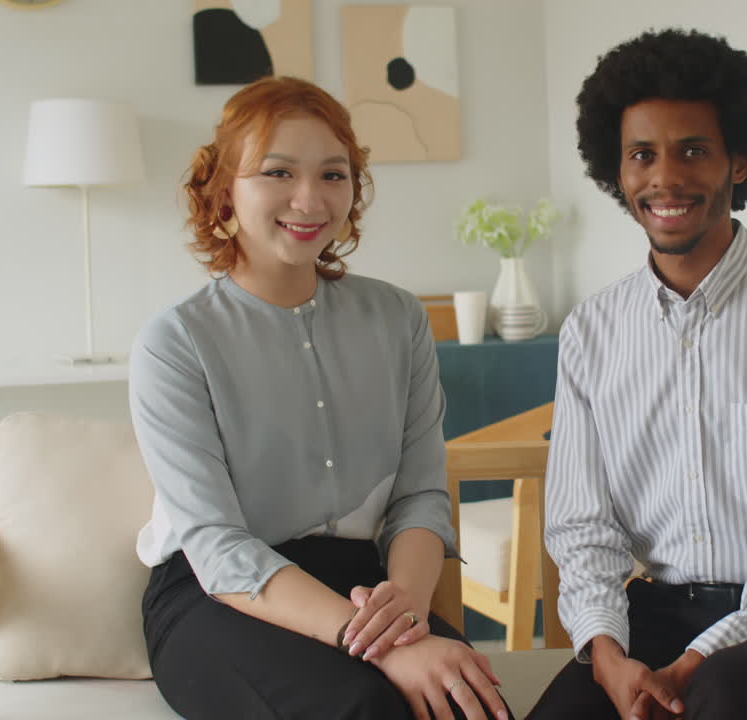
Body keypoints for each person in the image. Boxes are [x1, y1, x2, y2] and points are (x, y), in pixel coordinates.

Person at [531, 29, 747, 720]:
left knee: (717, 699)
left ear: (739, 163)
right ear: (618, 171)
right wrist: (606, 653)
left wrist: (701, 657)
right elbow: (582, 528)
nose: (665, 177)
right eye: (642, 155)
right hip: (654, 614)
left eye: (693, 150)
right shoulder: (590, 332)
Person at [130, 76, 510, 720]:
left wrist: (408, 611)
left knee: (473, 704)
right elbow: (219, 548)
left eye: (333, 175)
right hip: (218, 595)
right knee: (359, 707)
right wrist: (381, 647)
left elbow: (420, 495)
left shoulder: (398, 319)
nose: (309, 199)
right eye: (278, 172)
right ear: (224, 192)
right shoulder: (176, 342)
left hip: (372, 582)